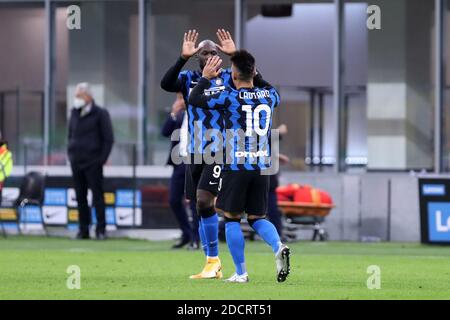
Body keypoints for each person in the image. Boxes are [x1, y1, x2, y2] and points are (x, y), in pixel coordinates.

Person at [188, 51, 291, 283]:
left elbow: (194, 99)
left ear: (233, 75)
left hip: (236, 165)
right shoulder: (271, 96)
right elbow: (263, 83)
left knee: (232, 218)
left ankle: (241, 273)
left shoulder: (229, 97)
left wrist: (204, 77)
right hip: (262, 167)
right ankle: (278, 245)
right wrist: (247, 64)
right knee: (257, 217)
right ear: (254, 71)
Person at [160, 29, 237, 279]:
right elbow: (165, 83)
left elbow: (255, 80)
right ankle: (210, 262)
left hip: (218, 149)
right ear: (198, 57)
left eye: (214, 52)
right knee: (199, 205)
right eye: (205, 53)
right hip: (192, 151)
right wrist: (181, 58)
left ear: (220, 56)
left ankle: (214, 260)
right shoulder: (189, 77)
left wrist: (235, 55)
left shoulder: (229, 77)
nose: (210, 56)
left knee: (205, 201)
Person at [68, 82, 114, 240]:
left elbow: (108, 139)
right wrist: (71, 154)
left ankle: (101, 230)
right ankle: (83, 229)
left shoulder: (100, 113)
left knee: (97, 197)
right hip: (76, 162)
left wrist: (101, 160)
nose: (76, 99)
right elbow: (70, 135)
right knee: (80, 197)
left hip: (93, 162)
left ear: (88, 96)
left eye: (78, 96)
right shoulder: (74, 112)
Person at [161, 92, 200, 250]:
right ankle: (187, 234)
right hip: (179, 163)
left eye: (180, 97)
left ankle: (196, 239)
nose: (178, 101)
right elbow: (164, 132)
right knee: (173, 200)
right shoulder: (179, 116)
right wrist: (173, 113)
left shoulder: (199, 113)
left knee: (193, 202)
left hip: (194, 162)